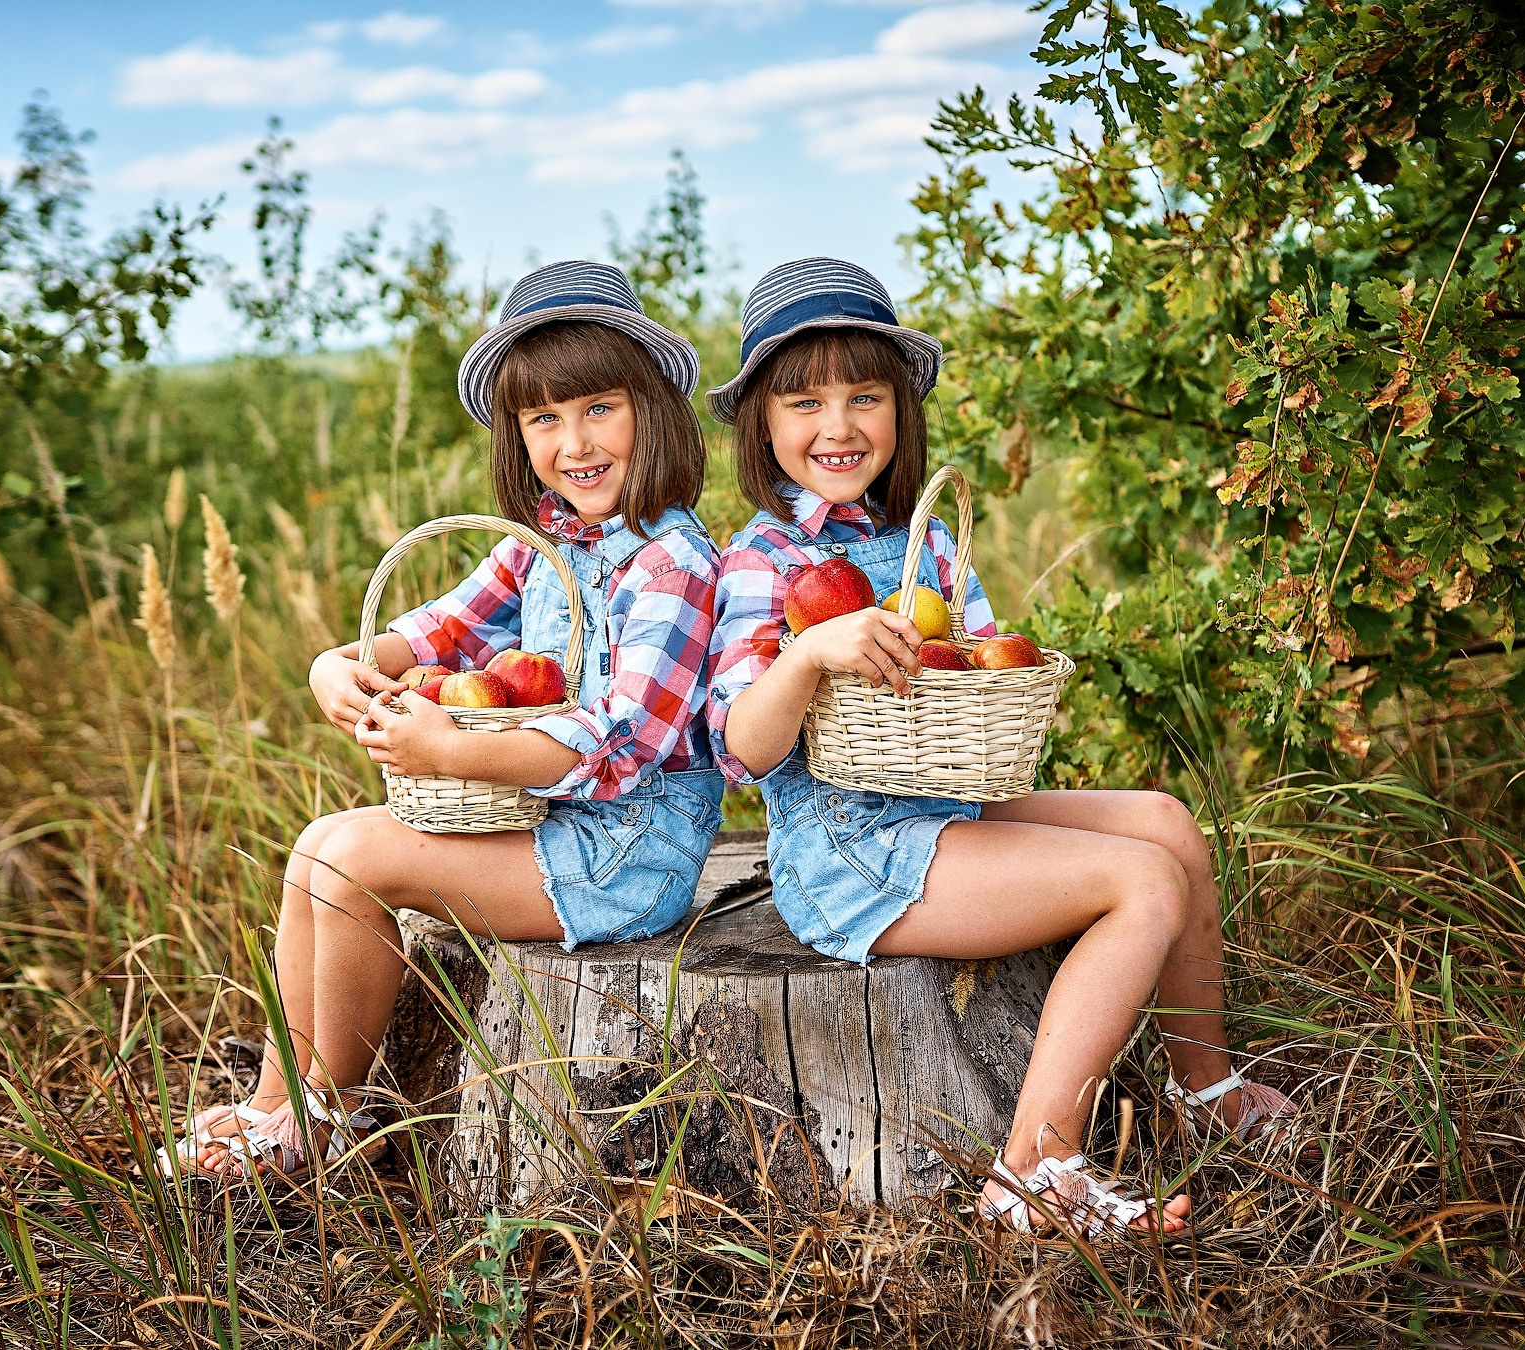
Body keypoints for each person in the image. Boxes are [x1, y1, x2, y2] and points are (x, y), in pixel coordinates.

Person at [705, 258, 1305, 1237]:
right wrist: (808, 654)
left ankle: (1209, 1093)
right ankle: (1034, 1173)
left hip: (943, 808)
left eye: (865, 395)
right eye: (803, 401)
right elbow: (742, 746)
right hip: (857, 855)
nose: (838, 424)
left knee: (1164, 822)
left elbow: (975, 669)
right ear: (762, 426)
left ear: (901, 408)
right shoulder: (764, 559)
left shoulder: (926, 543)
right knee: (1138, 884)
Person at [163, 261, 726, 1176]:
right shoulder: (541, 548)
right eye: (543, 419)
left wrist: (453, 750)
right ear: (517, 436)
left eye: (598, 410)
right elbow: (439, 627)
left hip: (626, 858)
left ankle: (325, 1117)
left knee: (358, 863)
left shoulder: (672, 564)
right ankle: (275, 1100)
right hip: (551, 831)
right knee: (318, 843)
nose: (573, 442)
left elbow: (625, 744)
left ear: (652, 411)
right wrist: (339, 665)